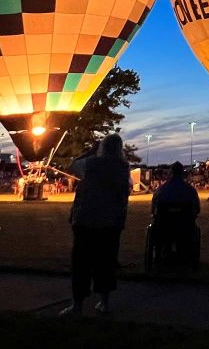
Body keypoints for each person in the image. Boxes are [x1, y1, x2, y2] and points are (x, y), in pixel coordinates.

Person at [61, 134, 130, 317]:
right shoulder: (124, 168)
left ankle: (77, 305)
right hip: (111, 222)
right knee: (106, 263)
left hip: (87, 219)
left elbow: (73, 165)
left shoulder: (92, 164)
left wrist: (90, 151)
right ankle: (105, 302)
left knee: (81, 263)